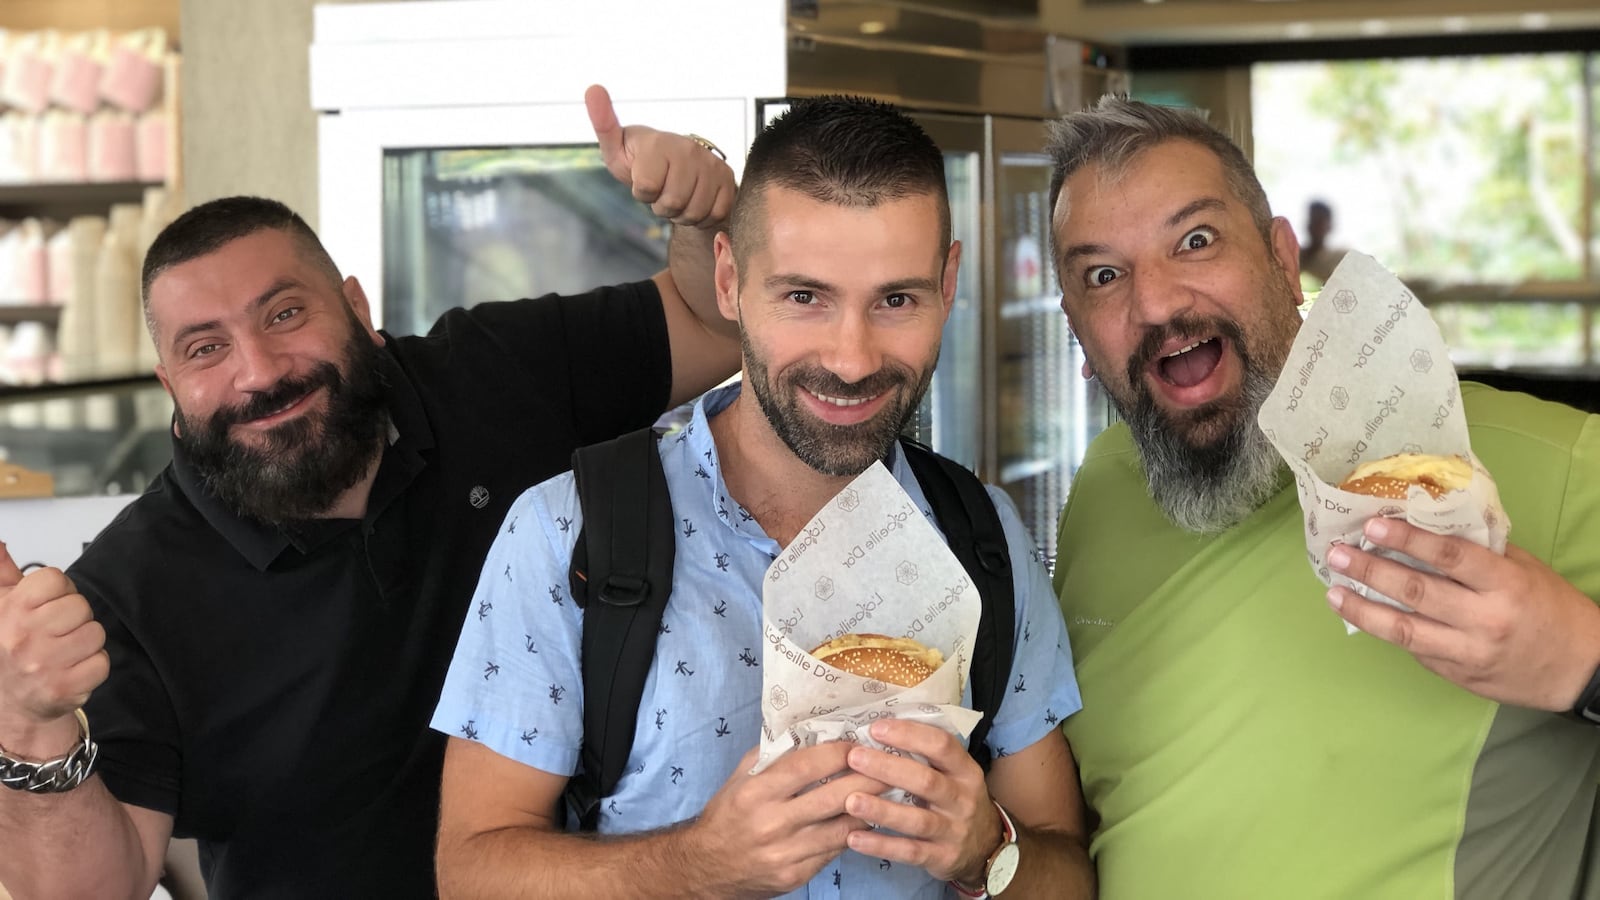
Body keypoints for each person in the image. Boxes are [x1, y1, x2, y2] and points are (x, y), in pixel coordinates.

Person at [0, 85, 741, 899]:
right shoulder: (130, 592)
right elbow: (83, 893)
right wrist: (30, 730)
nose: (259, 372)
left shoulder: (490, 371)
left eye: (284, 314)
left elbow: (713, 324)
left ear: (356, 306)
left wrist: (703, 215)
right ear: (169, 384)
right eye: (206, 349)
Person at [431, 96, 1095, 899]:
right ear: (728, 280)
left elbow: (1067, 873)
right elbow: (470, 870)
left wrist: (987, 847)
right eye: (804, 297)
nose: (851, 360)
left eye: (896, 300)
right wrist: (694, 865)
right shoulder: (567, 533)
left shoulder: (982, 539)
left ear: (948, 284)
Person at [1045, 95, 1600, 898]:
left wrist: (1584, 662)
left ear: (1280, 255)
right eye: (1104, 275)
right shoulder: (1101, 485)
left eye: (1196, 241)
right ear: (1076, 329)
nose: (1157, 303)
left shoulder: (1555, 462)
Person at [1298, 199, 1346, 285]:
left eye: (1319, 222)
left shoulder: (1341, 258)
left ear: (1329, 226)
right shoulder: (1294, 255)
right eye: (1312, 219)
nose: (1314, 226)